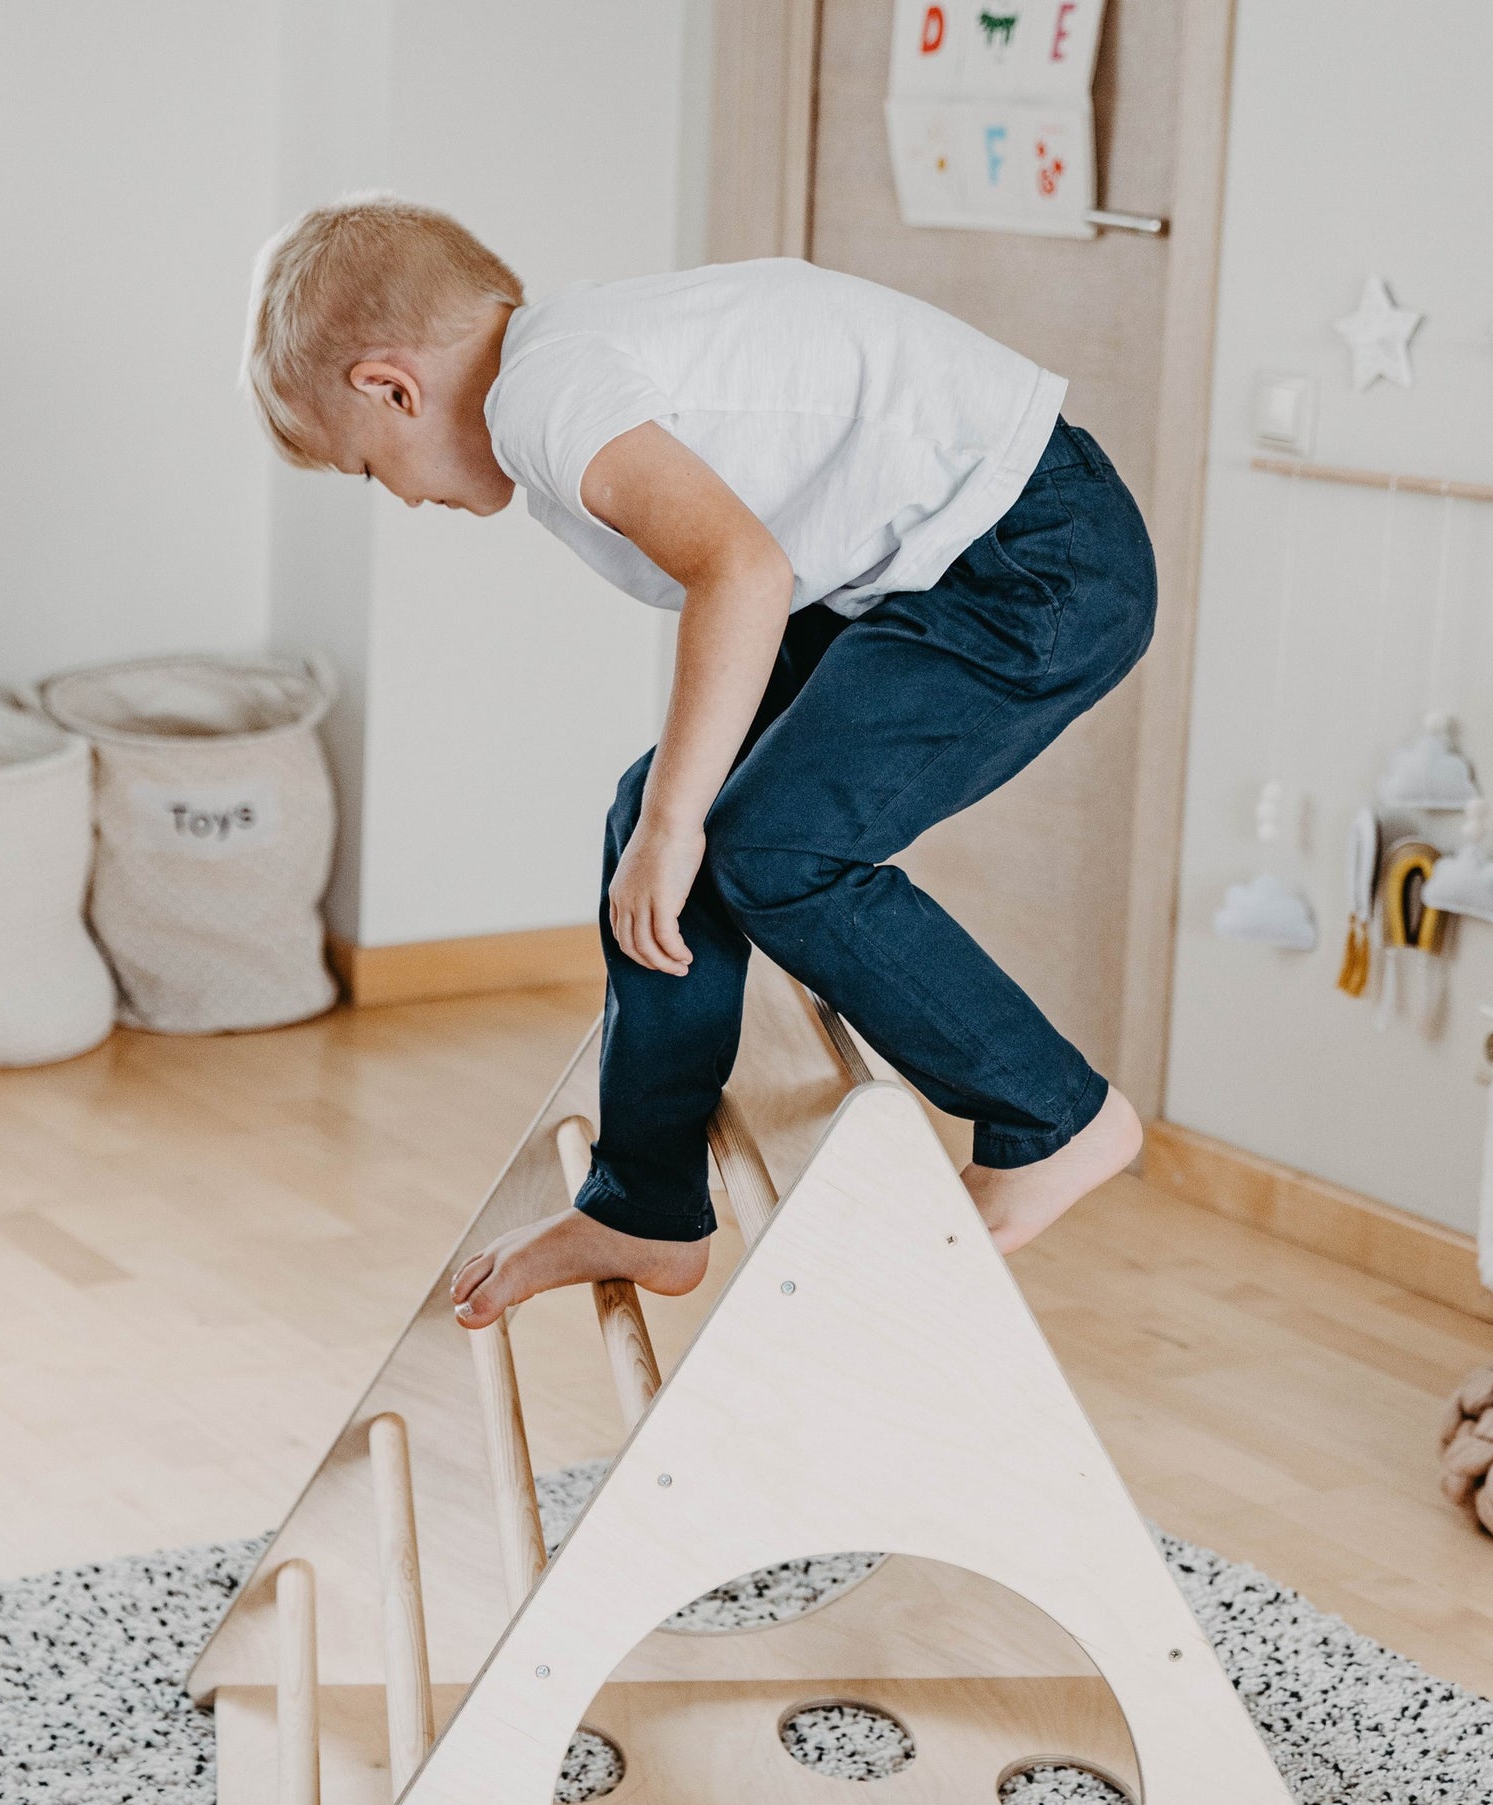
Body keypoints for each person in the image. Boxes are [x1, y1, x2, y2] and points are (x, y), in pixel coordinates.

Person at [245, 197, 1156, 1330]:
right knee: (655, 814)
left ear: (392, 387)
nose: (405, 496)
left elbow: (742, 571)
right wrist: (667, 815)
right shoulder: (568, 365)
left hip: (1029, 563)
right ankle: (645, 1202)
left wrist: (685, 825)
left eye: (372, 468)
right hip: (929, 571)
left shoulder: (544, 395)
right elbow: (757, 574)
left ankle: (1054, 1114)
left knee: (772, 847)